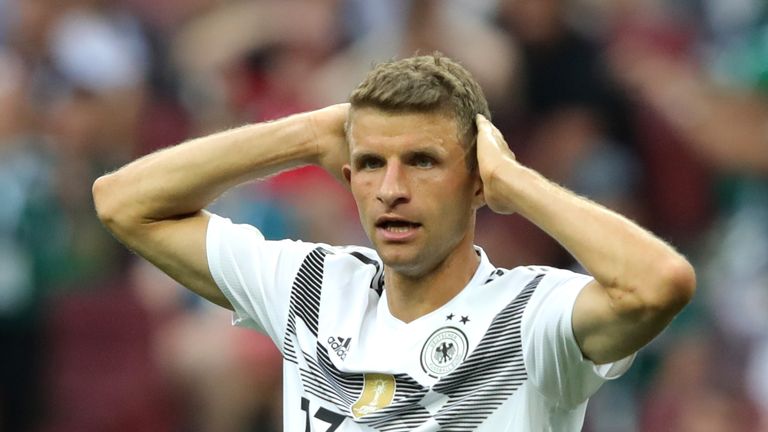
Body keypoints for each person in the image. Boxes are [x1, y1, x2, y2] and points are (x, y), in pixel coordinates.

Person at [93, 54, 695, 431]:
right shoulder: (312, 287)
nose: (391, 190)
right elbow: (122, 203)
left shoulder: (531, 317)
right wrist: (305, 133)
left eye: (423, 161)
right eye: (372, 163)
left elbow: (660, 283)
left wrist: (517, 181)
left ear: (477, 183)